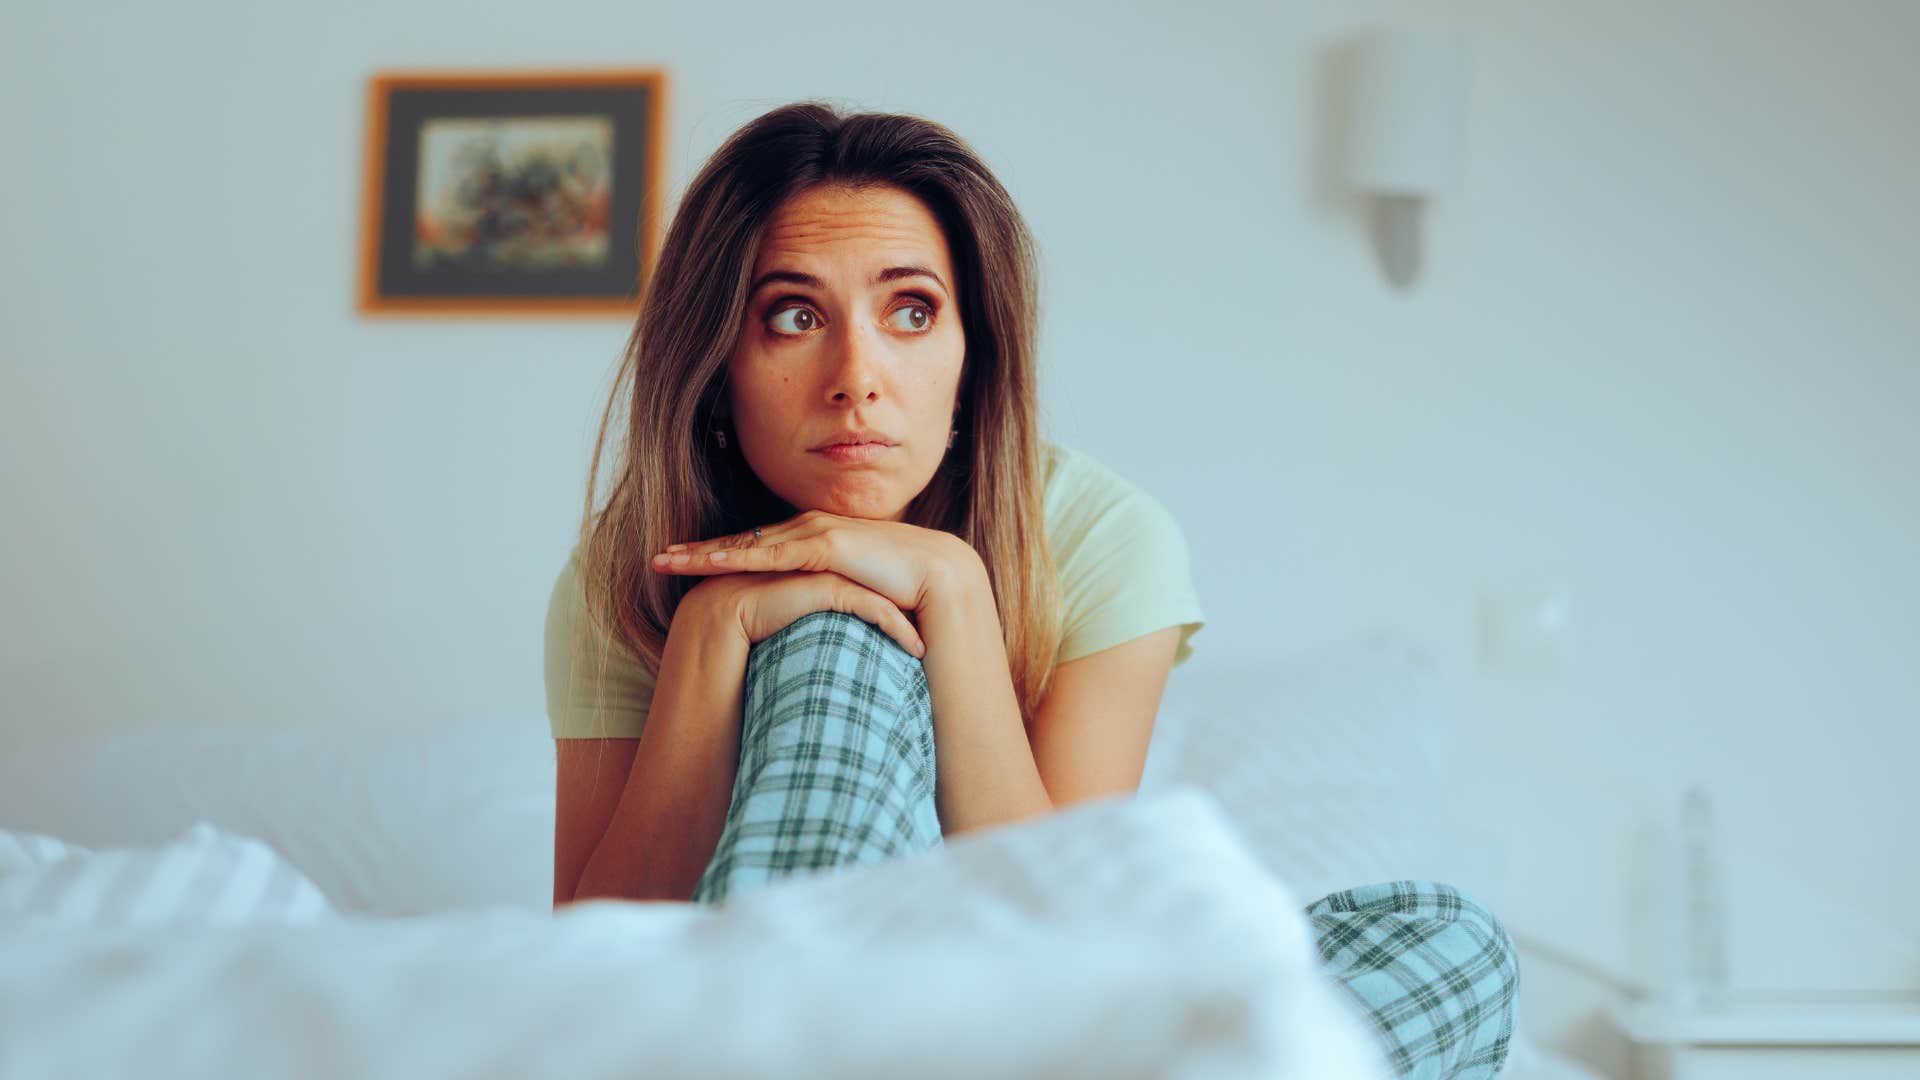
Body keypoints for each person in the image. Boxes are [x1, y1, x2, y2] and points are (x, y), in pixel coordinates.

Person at [544, 101, 1517, 1079]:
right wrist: (714, 634)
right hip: (750, 1023)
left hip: (1038, 1015)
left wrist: (956, 596)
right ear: (718, 368)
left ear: (974, 356)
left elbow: (1068, 927)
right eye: (793, 316)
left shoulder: (1100, 536)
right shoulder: (631, 569)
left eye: (911, 311)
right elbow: (590, 967)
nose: (858, 377)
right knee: (832, 636)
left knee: (1451, 943)